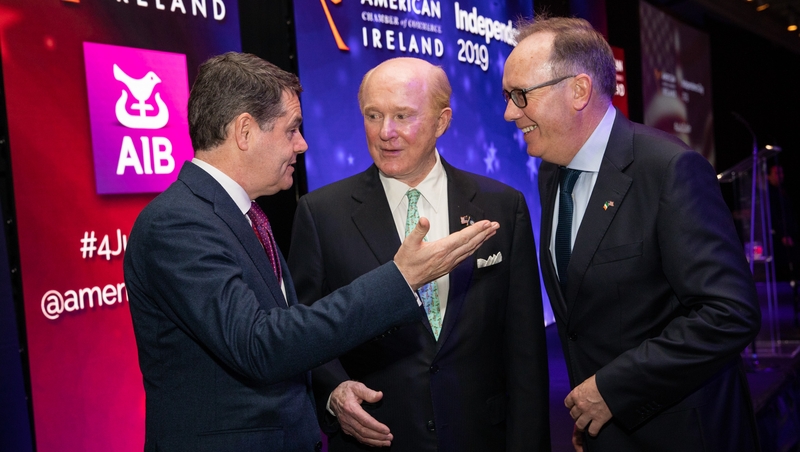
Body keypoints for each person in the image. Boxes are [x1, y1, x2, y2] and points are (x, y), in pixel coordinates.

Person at [123, 52, 499, 452]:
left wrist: (334, 388)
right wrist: (399, 278)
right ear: (245, 132)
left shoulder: (242, 216)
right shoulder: (178, 223)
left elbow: (288, 332)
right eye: (291, 130)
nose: (301, 145)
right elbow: (260, 346)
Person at [502, 16, 761, 452]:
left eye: (520, 95)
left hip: (683, 434)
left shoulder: (668, 170)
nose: (510, 112)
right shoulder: (551, 173)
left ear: (579, 91)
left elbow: (729, 313)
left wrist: (612, 389)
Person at [287, 57, 550, 451]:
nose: (385, 132)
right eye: (373, 115)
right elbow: (301, 333)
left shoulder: (501, 206)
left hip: (481, 436)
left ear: (441, 122)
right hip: (379, 439)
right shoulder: (322, 213)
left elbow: (525, 350)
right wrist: (333, 390)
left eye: (402, 116)